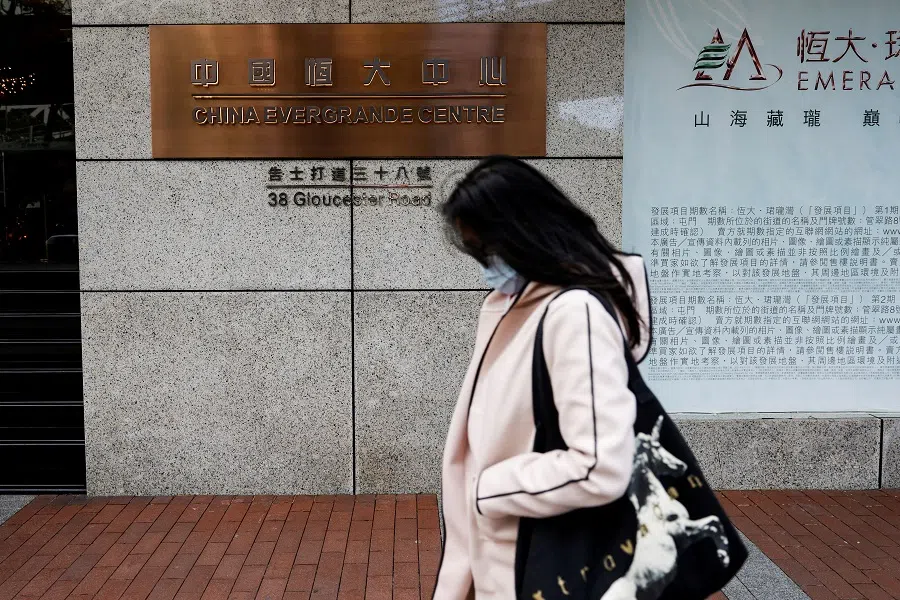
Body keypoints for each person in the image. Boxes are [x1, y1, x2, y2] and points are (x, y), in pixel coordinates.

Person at [433, 157, 652, 600]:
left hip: (541, 563)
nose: (486, 266)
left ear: (523, 233)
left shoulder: (574, 314)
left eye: (486, 250)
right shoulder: (512, 304)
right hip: (508, 554)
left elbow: (599, 465)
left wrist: (486, 490)